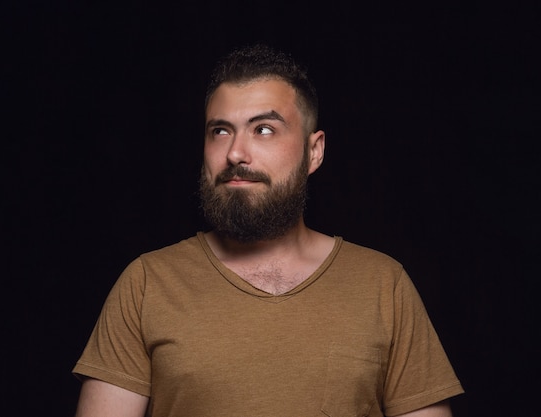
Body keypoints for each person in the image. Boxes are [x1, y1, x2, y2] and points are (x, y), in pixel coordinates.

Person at [72, 43, 464, 417]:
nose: (236, 153)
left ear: (314, 152)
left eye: (263, 130)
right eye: (220, 131)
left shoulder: (384, 285)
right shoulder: (146, 284)